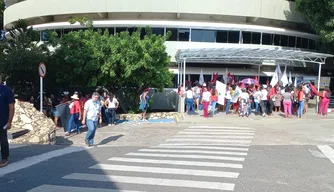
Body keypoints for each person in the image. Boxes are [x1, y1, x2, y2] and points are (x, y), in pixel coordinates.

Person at [0, 75, 15, 167]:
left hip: (2, 120)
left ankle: (4, 159)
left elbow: (11, 106)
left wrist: (9, 121)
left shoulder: (7, 91)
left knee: (3, 140)